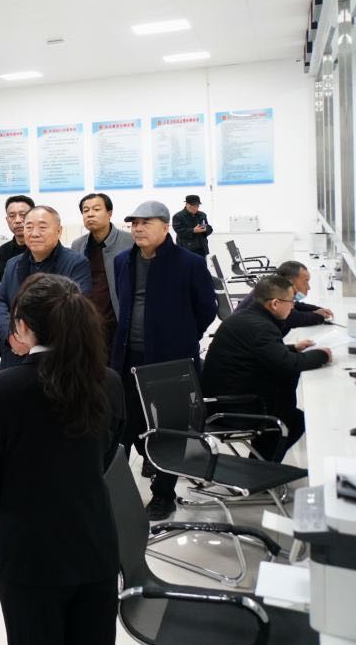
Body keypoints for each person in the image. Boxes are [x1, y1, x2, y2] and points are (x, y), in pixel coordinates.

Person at [0, 274, 126, 645]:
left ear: (23, 326)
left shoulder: (5, 389)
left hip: (30, 550)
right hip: (95, 541)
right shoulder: (109, 381)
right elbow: (108, 454)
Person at [111, 201, 217, 520]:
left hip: (171, 360)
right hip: (128, 356)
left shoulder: (189, 263)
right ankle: (126, 479)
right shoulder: (122, 261)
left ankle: (164, 494)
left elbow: (207, 308)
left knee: (171, 428)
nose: (138, 228)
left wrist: (181, 337)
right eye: (134, 223)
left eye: (146, 222)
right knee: (126, 424)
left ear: (165, 226)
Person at [202, 274, 331, 462]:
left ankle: (260, 465)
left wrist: (293, 348)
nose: (293, 306)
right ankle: (262, 468)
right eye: (291, 301)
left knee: (290, 414)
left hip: (225, 398)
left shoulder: (250, 317)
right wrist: (323, 355)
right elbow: (289, 364)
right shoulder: (262, 327)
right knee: (291, 420)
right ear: (275, 304)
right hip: (233, 407)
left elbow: (262, 353)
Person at [0, 206, 91, 369]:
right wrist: (11, 336)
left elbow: (76, 308)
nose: (34, 233)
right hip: (17, 354)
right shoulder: (13, 263)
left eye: (42, 227)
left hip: (57, 356)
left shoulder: (76, 263)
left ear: (58, 231)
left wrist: (34, 342)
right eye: (29, 227)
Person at [70, 192, 134, 349]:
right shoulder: (78, 245)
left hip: (119, 322)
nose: (90, 214)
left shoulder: (130, 241)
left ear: (109, 214)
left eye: (96, 209)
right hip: (88, 324)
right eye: (85, 210)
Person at [233, 259, 334, 329]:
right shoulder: (273, 291)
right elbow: (293, 318)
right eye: (305, 281)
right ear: (290, 281)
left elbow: (295, 306)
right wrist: (319, 316)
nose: (308, 287)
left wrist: (318, 310)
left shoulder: (276, 286)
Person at [0, 195, 34, 277]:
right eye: (12, 216)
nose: (17, 220)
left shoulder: (43, 247)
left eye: (23, 215)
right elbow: (6, 282)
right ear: (7, 220)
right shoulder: (3, 251)